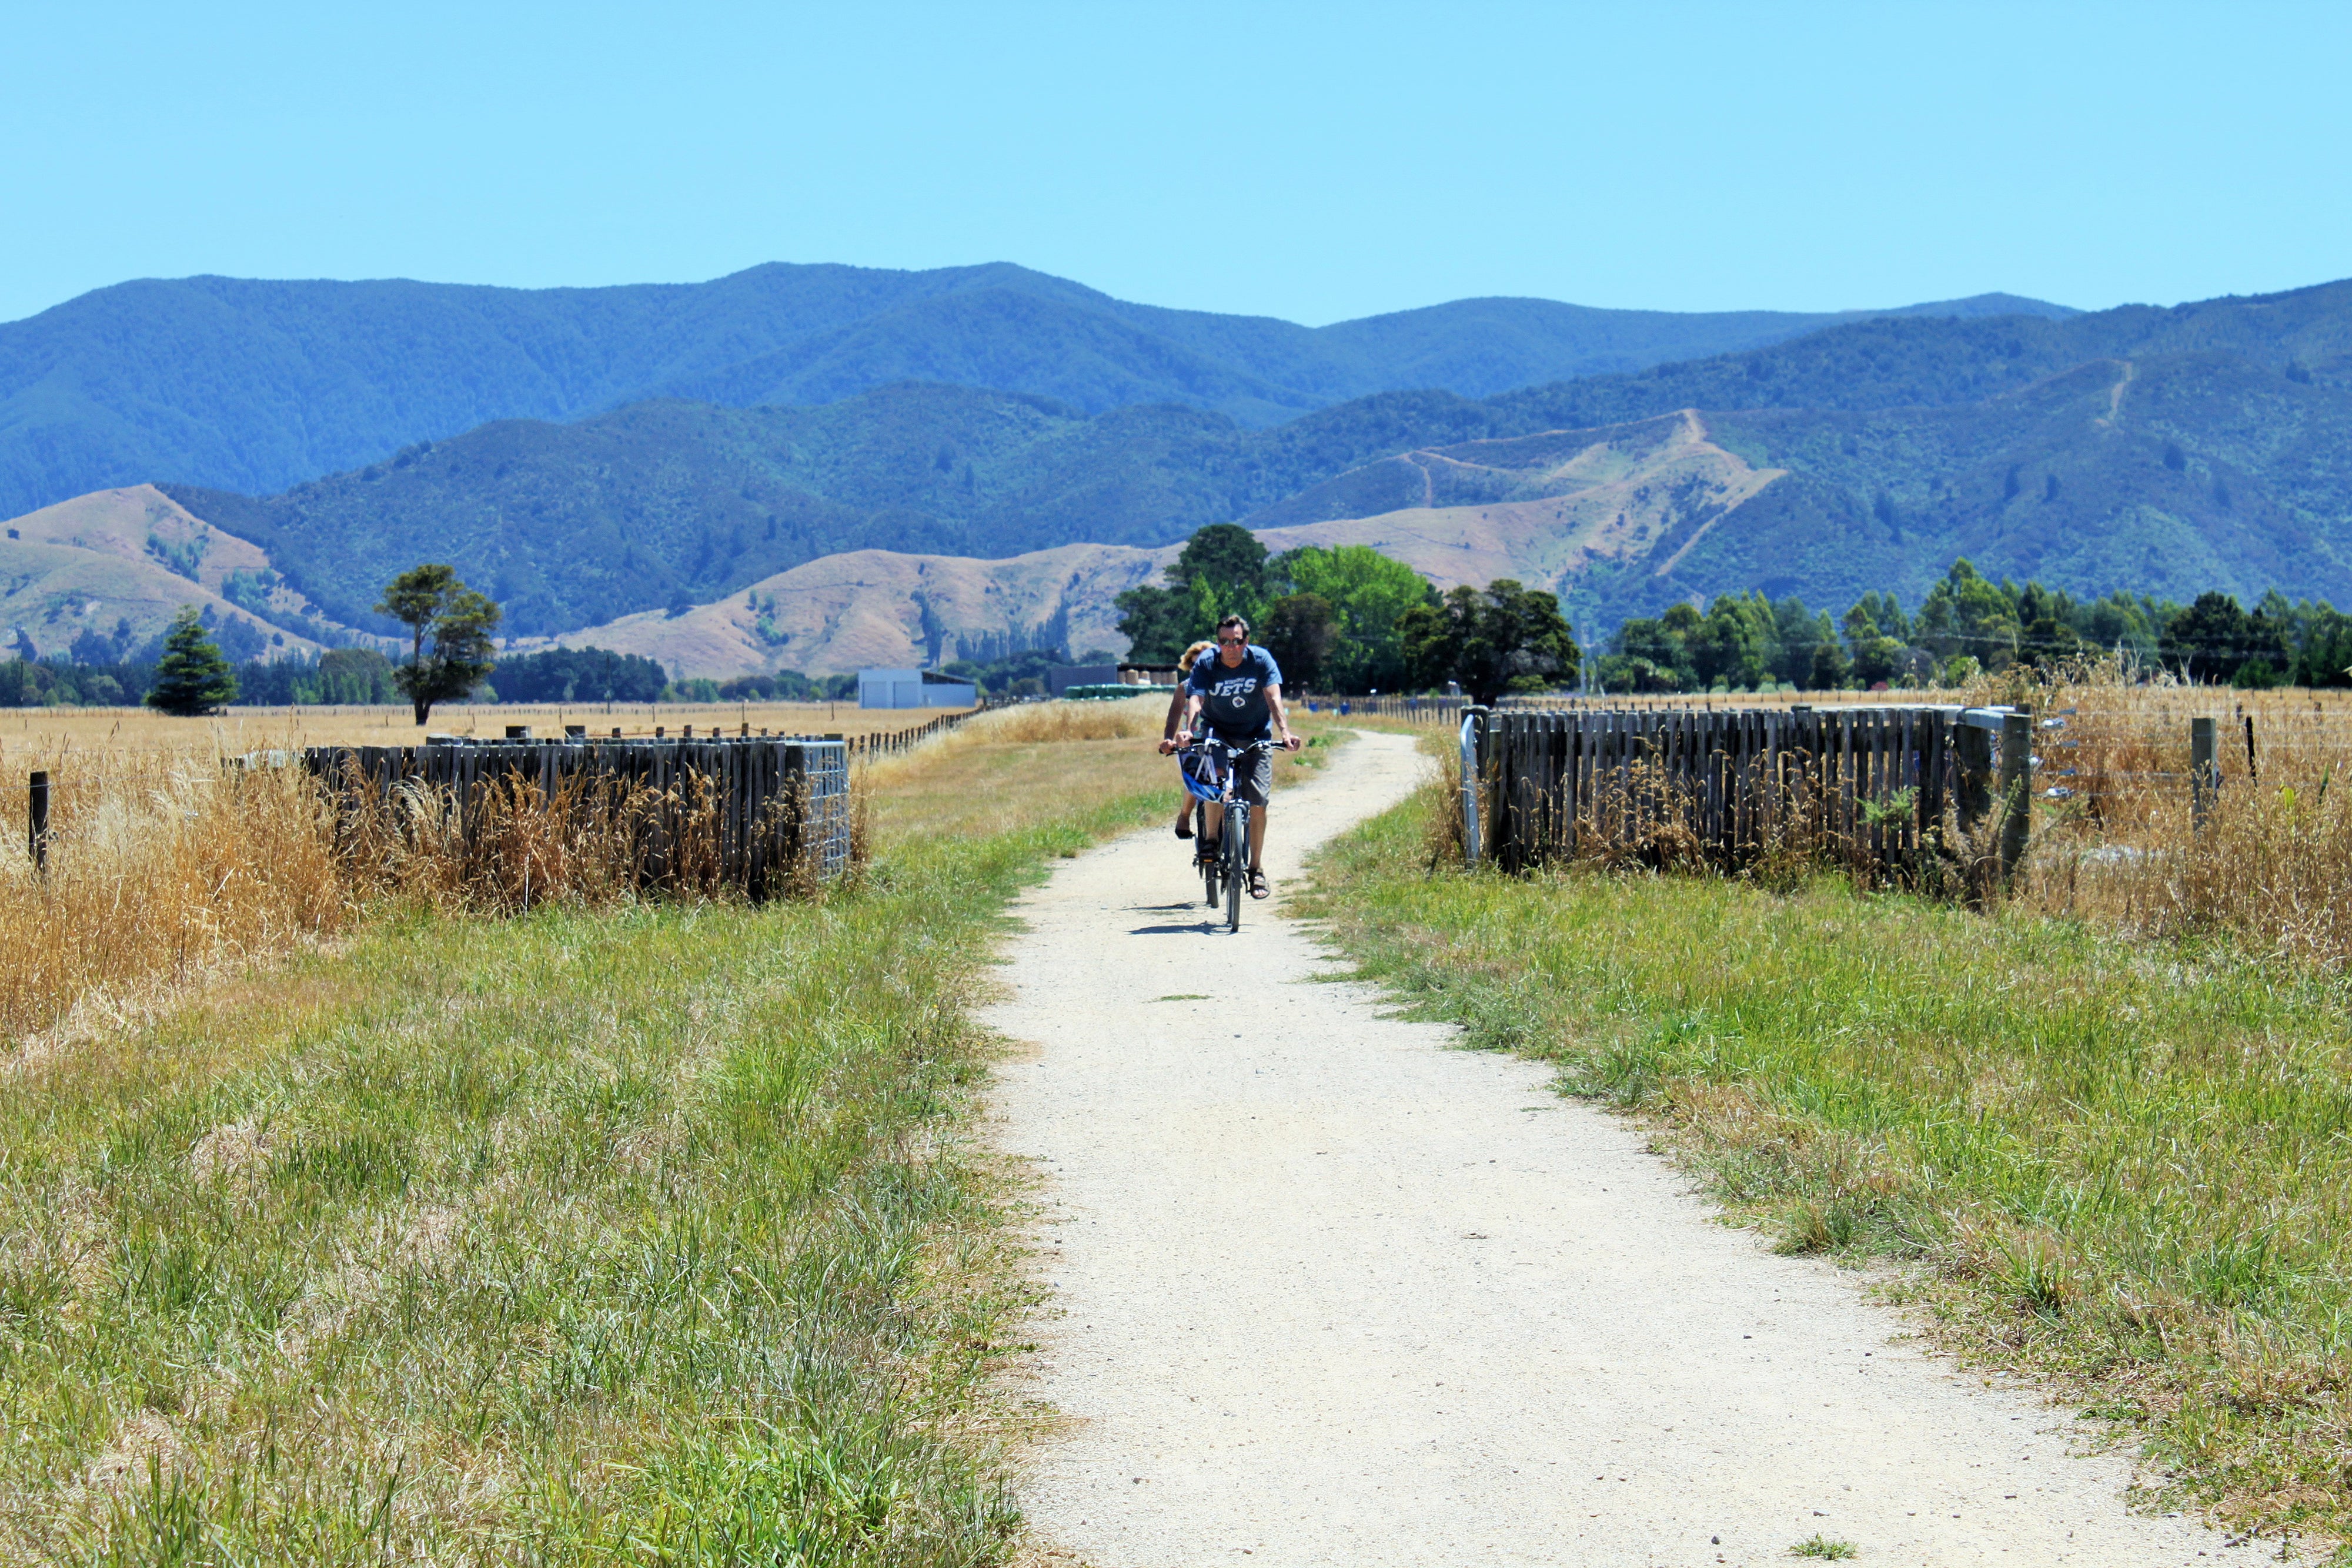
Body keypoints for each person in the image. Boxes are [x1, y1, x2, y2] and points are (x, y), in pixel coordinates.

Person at [1174, 613, 1301, 900]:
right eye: (1224, 641)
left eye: (1237, 641)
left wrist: (1286, 731)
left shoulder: (1261, 661)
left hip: (1256, 734)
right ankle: (1211, 841)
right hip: (1217, 732)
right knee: (1215, 782)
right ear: (1218, 643)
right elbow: (1196, 698)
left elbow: (1273, 697)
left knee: (1258, 802)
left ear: (1247, 641)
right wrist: (1189, 730)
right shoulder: (1208, 662)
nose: (1230, 647)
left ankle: (1256, 870)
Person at [1157, 639, 1217, 840]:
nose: (1198, 668)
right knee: (1195, 776)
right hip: (1192, 741)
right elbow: (1174, 716)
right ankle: (1184, 815)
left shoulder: (1224, 684)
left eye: (1204, 662)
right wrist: (1168, 740)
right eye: (1194, 664)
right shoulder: (1185, 687)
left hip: (1220, 738)